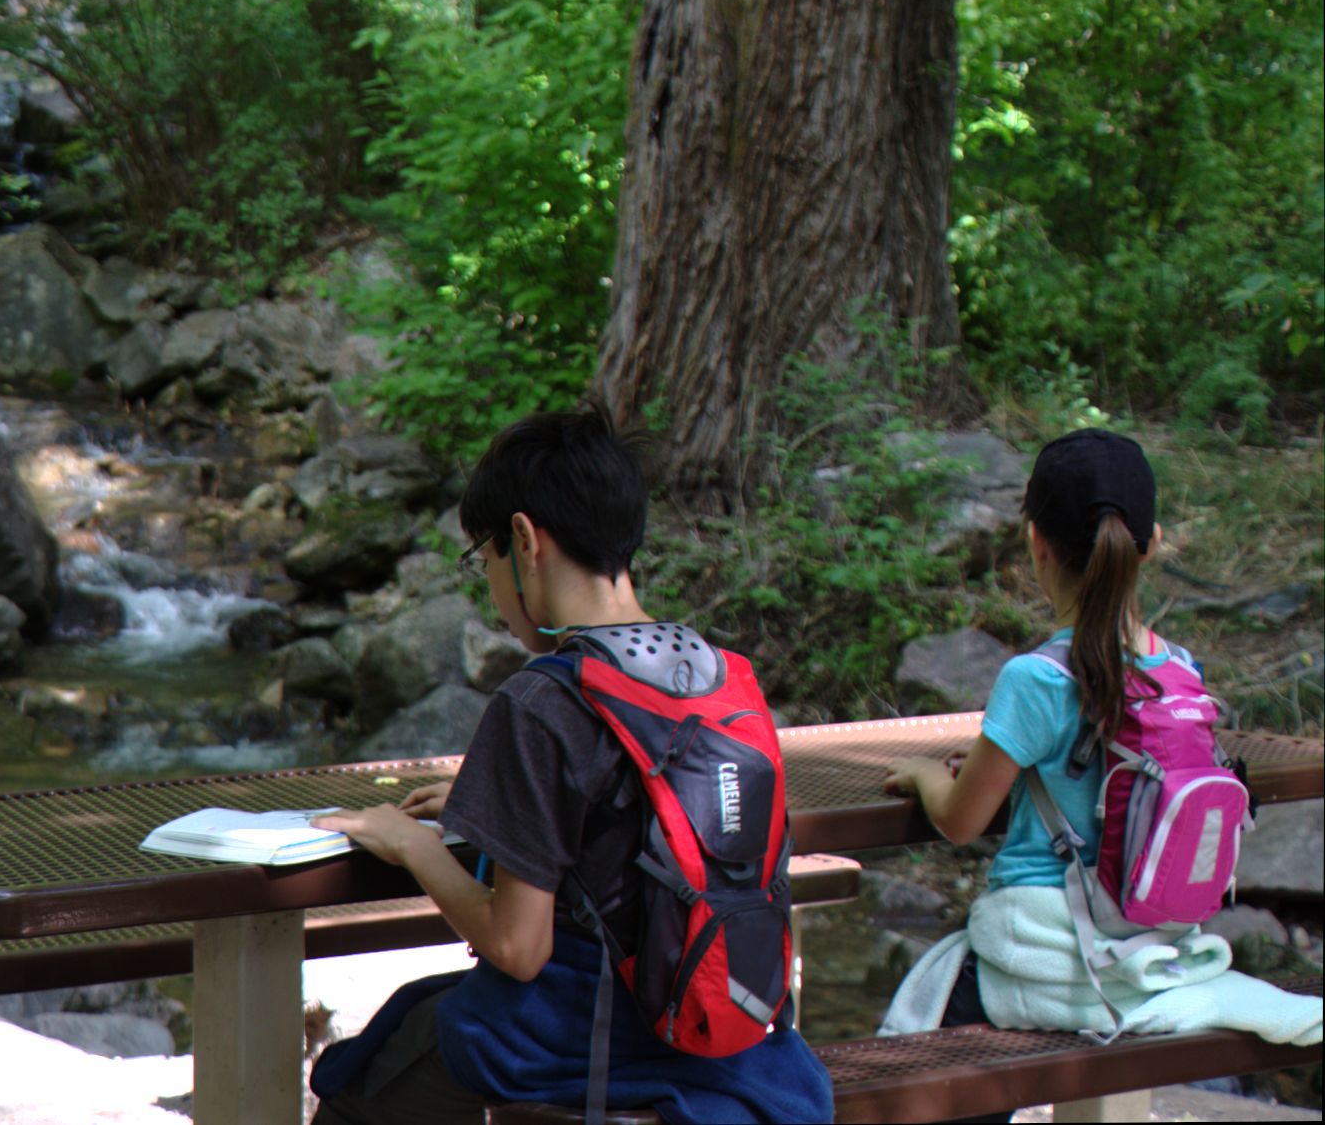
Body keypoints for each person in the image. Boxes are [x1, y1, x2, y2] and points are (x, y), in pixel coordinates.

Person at [308, 407, 834, 1125]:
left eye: (484, 560)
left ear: (523, 540)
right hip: (731, 1035)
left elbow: (516, 948)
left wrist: (414, 846)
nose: (492, 591)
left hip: (582, 1046)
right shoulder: (723, 680)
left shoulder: (539, 701)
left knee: (354, 1087)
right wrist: (495, 796)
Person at [879, 429, 1320, 1081]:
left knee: (925, 1031)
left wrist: (922, 776)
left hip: (1048, 956)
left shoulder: (1033, 679)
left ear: (1035, 545)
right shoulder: (1177, 670)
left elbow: (958, 822)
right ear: (1150, 543)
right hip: (1152, 946)